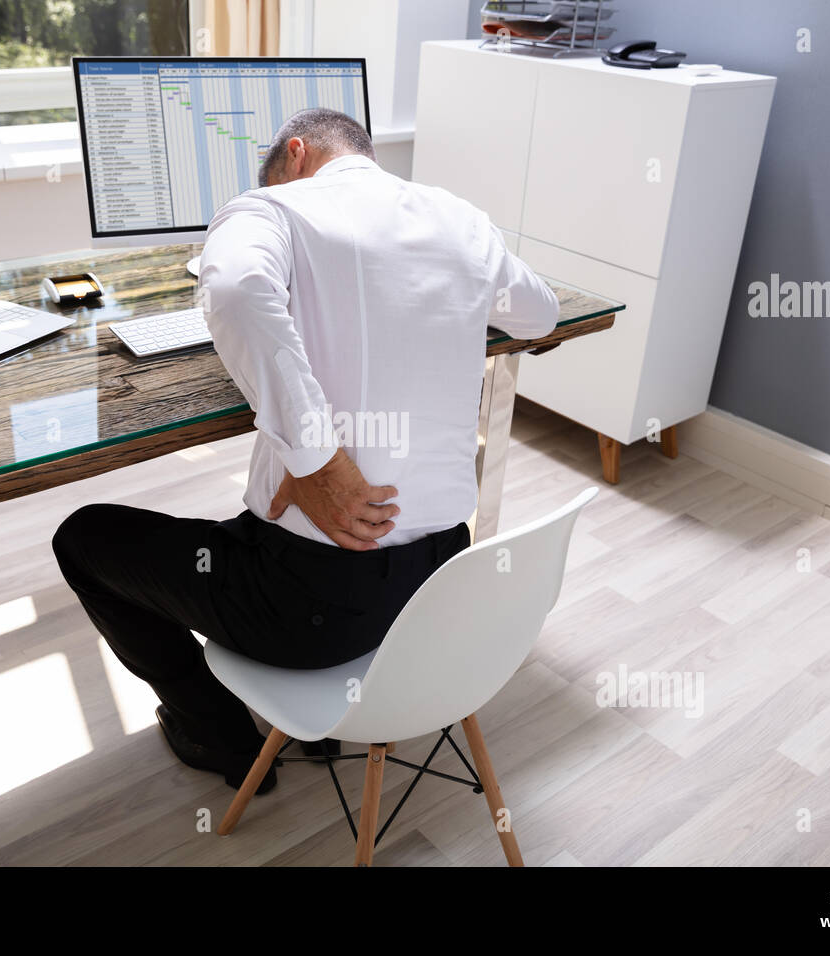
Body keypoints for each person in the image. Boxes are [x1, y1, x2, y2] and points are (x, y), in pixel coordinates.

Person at [52, 107, 559, 792]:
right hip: (438, 588)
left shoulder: (269, 210)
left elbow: (232, 288)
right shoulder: (459, 218)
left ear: (295, 154)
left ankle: (219, 735)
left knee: (84, 538)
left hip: (310, 612)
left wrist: (318, 459)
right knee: (241, 522)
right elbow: (539, 315)